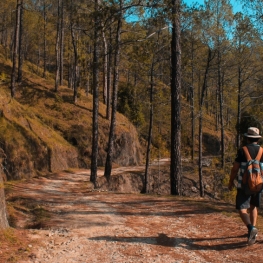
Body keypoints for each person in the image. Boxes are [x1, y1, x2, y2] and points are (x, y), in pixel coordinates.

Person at [228, 127, 263, 245]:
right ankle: (253, 232)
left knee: (242, 208)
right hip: (258, 185)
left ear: (247, 138)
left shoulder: (242, 150)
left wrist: (231, 181)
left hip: (243, 184)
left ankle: (251, 228)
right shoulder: (262, 151)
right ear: (257, 139)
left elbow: (235, 169)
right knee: (253, 207)